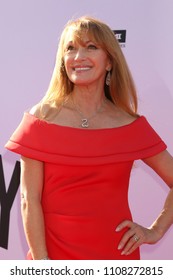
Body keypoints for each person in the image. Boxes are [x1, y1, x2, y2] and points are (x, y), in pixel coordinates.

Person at [5, 15, 173, 260]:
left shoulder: (129, 125)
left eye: (91, 47)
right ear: (63, 61)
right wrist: (42, 265)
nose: (78, 57)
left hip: (116, 258)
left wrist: (156, 230)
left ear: (109, 62)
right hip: (52, 258)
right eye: (70, 49)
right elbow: (28, 199)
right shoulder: (41, 119)